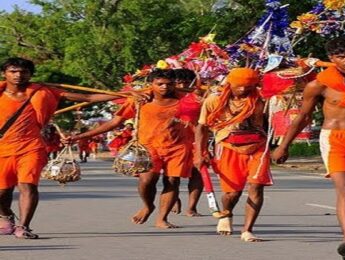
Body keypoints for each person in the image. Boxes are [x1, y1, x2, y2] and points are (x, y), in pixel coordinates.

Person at [0, 57, 137, 239]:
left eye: (23, 72)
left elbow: (88, 97)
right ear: (5, 74)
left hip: (31, 147)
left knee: (28, 186)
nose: (18, 75)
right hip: (3, 148)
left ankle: (23, 226)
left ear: (30, 74)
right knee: (3, 191)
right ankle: (6, 216)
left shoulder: (42, 92)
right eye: (13, 71)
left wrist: (126, 95)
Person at [64, 69, 194, 228]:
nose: (164, 88)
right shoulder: (138, 99)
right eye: (159, 84)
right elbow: (114, 123)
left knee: (172, 181)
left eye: (169, 84)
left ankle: (162, 218)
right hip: (148, 146)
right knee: (147, 180)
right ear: (150, 84)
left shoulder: (187, 99)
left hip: (178, 147)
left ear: (175, 84)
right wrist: (79, 137)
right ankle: (148, 205)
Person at [272, 37, 345, 258]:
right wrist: (283, 146)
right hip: (335, 139)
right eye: (341, 56)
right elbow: (302, 117)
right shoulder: (319, 84)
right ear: (331, 59)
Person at [194, 68, 273, 241]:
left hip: (257, 147)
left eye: (249, 86)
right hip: (227, 147)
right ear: (230, 82)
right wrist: (200, 153)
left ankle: (247, 230)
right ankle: (226, 214)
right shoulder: (214, 99)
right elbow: (202, 127)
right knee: (232, 194)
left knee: (256, 186)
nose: (244, 90)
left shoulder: (261, 99)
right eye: (240, 86)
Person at [171, 68, 204, 217]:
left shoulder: (199, 97)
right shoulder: (167, 97)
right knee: (172, 176)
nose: (182, 85)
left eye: (185, 82)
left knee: (197, 174)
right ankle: (173, 198)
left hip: (195, 140)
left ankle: (192, 207)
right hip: (173, 141)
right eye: (178, 82)